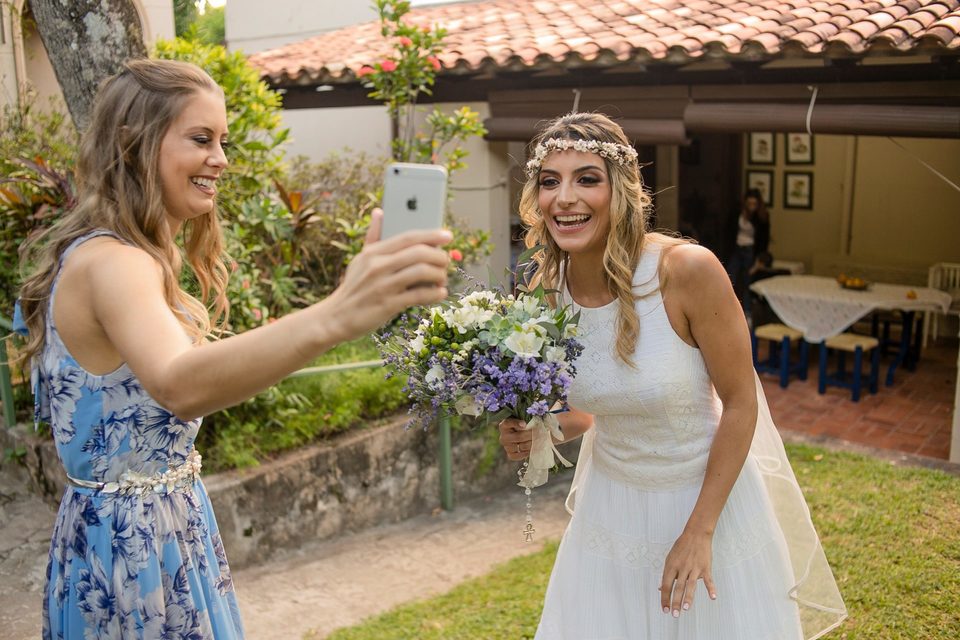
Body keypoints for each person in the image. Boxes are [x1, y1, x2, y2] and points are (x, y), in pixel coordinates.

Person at [14, 59, 451, 639]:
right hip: (133, 554)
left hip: (155, 533)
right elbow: (179, 382)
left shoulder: (121, 254)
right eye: (201, 139)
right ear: (132, 143)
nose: (220, 158)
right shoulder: (115, 262)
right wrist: (337, 314)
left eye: (223, 141)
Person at [498, 113, 846, 639]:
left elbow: (741, 402)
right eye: (550, 181)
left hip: (704, 502)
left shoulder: (686, 271)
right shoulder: (545, 288)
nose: (564, 198)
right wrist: (538, 431)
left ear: (620, 189)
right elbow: (590, 409)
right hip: (608, 513)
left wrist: (699, 531)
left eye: (587, 178)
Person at [727, 188, 770, 317]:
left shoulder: (761, 217)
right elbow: (728, 232)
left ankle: (747, 313)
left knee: (747, 283)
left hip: (750, 250)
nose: (752, 206)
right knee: (729, 278)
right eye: (749, 203)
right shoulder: (737, 213)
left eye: (754, 204)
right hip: (737, 248)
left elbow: (764, 240)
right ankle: (729, 311)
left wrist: (759, 260)